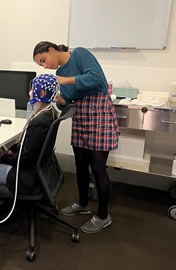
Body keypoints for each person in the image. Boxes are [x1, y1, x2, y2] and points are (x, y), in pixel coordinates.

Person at [32, 41, 119, 233]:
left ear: (52, 50)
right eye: (41, 65)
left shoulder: (79, 54)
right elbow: (69, 102)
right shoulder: (58, 74)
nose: (45, 66)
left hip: (99, 110)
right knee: (80, 162)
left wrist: (65, 81)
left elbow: (96, 78)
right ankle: (83, 204)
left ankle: (103, 215)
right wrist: (59, 99)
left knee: (97, 166)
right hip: (80, 113)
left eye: (44, 60)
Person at [0, 73, 60, 216]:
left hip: (25, 175)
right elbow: (30, 146)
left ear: (42, 93)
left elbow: (25, 160)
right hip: (37, 169)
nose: (29, 92)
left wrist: (4, 158)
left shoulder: (39, 122)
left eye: (33, 89)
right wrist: (12, 151)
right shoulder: (50, 113)